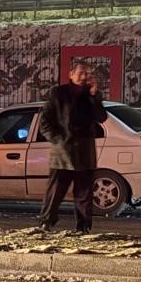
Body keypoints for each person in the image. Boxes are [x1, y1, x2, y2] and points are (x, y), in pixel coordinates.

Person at [36, 61, 107, 233]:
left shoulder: (91, 95)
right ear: (71, 73)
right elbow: (44, 120)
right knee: (55, 191)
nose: (83, 77)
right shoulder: (59, 93)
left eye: (87, 74)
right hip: (63, 151)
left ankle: (83, 227)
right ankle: (47, 221)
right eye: (80, 73)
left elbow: (101, 117)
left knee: (84, 193)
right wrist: (57, 139)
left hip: (85, 150)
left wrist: (93, 96)